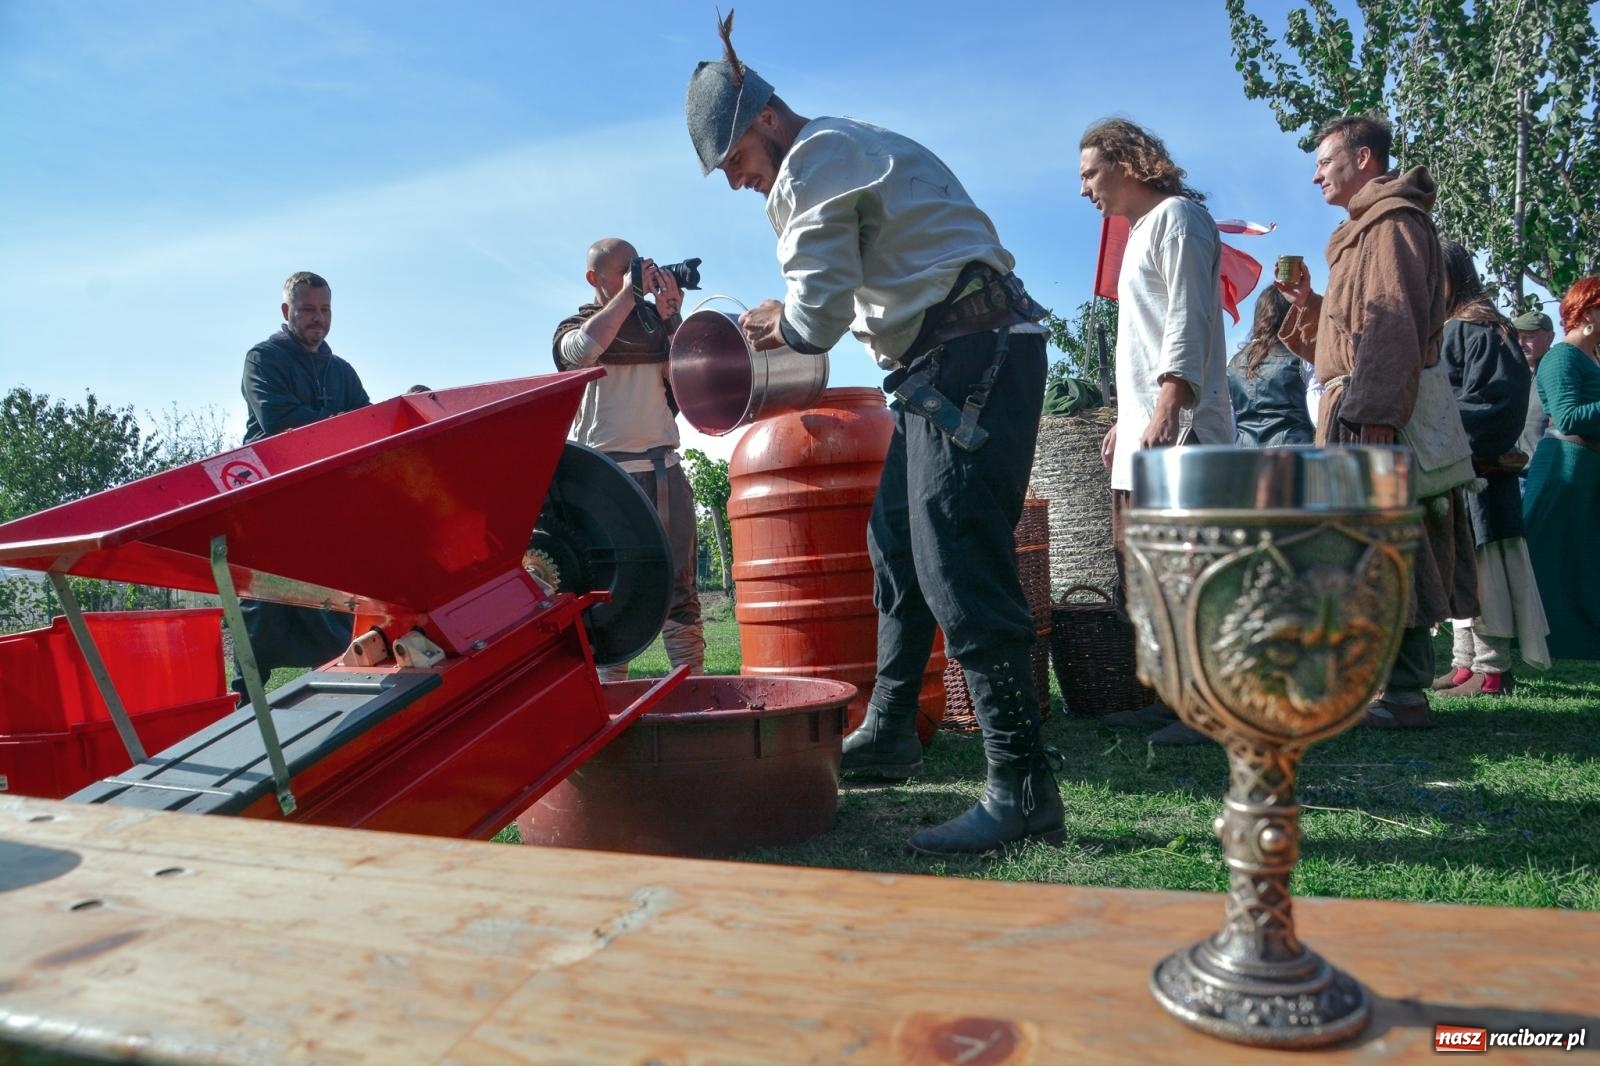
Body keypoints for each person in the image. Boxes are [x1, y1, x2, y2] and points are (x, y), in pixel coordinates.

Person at [684, 19, 1059, 857]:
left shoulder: (812, 163)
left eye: (737, 161)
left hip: (970, 360)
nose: (740, 183)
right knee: (897, 539)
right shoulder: (848, 146)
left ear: (766, 122)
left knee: (960, 558)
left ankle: (1023, 788)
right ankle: (891, 729)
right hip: (954, 361)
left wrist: (784, 319)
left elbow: (815, 320)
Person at [1276, 115, 1478, 729]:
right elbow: (1345, 344)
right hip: (1356, 408)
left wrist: (1377, 418)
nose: (1315, 174)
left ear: (1363, 159)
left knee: (1393, 544)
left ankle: (1405, 694)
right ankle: (1378, 686)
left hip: (1374, 414)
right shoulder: (1361, 232)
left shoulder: (1392, 225)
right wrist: (1310, 306)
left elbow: (1393, 327)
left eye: (1324, 161)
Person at [1079, 118, 1235, 746]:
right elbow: (1140, 341)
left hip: (1181, 435)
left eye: (1090, 172)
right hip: (1147, 434)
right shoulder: (1142, 229)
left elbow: (1188, 314)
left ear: (1126, 162)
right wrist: (1127, 413)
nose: (1085, 188)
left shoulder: (1179, 218)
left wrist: (1170, 401)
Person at [550, 239, 704, 680]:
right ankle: (610, 705)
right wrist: (631, 296)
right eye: (624, 271)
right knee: (606, 596)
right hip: (604, 483)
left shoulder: (656, 327)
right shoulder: (575, 326)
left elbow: (691, 377)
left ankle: (694, 692)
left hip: (661, 473)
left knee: (680, 591)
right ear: (593, 279)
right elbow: (582, 352)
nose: (634, 279)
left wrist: (672, 313)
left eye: (636, 269)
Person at [234, 271, 369, 699]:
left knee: (330, 600)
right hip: (272, 502)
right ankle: (245, 698)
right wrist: (337, 427)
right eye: (308, 309)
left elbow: (367, 426)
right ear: (286, 311)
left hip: (325, 506)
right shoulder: (263, 360)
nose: (318, 319)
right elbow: (278, 422)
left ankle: (333, 687)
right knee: (263, 601)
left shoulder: (341, 372)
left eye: (324, 310)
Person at [1432, 240, 1549, 695]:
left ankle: (1492, 669)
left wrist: (1440, 433)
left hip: (1481, 474)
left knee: (1487, 571)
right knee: (1462, 566)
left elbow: (1494, 401)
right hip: (1459, 468)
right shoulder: (1450, 327)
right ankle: (1465, 663)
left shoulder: (1482, 328)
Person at [1522, 277, 1600, 660]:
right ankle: (1547, 641)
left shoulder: (1591, 356)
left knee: (1581, 559)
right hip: (1563, 467)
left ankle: (1580, 640)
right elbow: (1567, 417)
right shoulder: (1562, 357)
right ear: (1587, 312)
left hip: (1585, 469)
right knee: (1550, 559)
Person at [1228, 287, 1316, 447]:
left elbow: (1229, 426)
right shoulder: (1304, 358)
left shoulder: (1233, 364)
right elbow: (1317, 415)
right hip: (1294, 458)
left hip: (1246, 460)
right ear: (1292, 316)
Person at [1513, 309, 1557, 461]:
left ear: (1550, 338)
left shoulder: (1558, 371)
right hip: (1510, 470)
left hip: (1540, 469)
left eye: (1529, 337)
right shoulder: (1510, 371)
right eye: (1517, 337)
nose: (1521, 343)